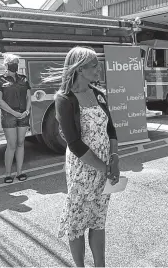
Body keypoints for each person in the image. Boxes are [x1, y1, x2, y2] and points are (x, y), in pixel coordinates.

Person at [43, 46, 120, 267]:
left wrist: (114, 158)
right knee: (76, 221)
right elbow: (74, 143)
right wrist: (103, 166)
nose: (99, 69)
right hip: (83, 168)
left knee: (98, 219)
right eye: (94, 65)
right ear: (79, 69)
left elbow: (111, 130)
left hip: (104, 165)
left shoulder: (98, 94)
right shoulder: (64, 99)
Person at [0, 54, 31, 183]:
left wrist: (27, 111)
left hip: (23, 115)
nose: (15, 64)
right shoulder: (0, 80)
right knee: (11, 144)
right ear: (5, 64)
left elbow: (28, 97)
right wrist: (14, 113)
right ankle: (8, 174)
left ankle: (20, 172)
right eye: (11, 62)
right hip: (9, 116)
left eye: (16, 62)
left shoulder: (23, 79)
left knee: (21, 143)